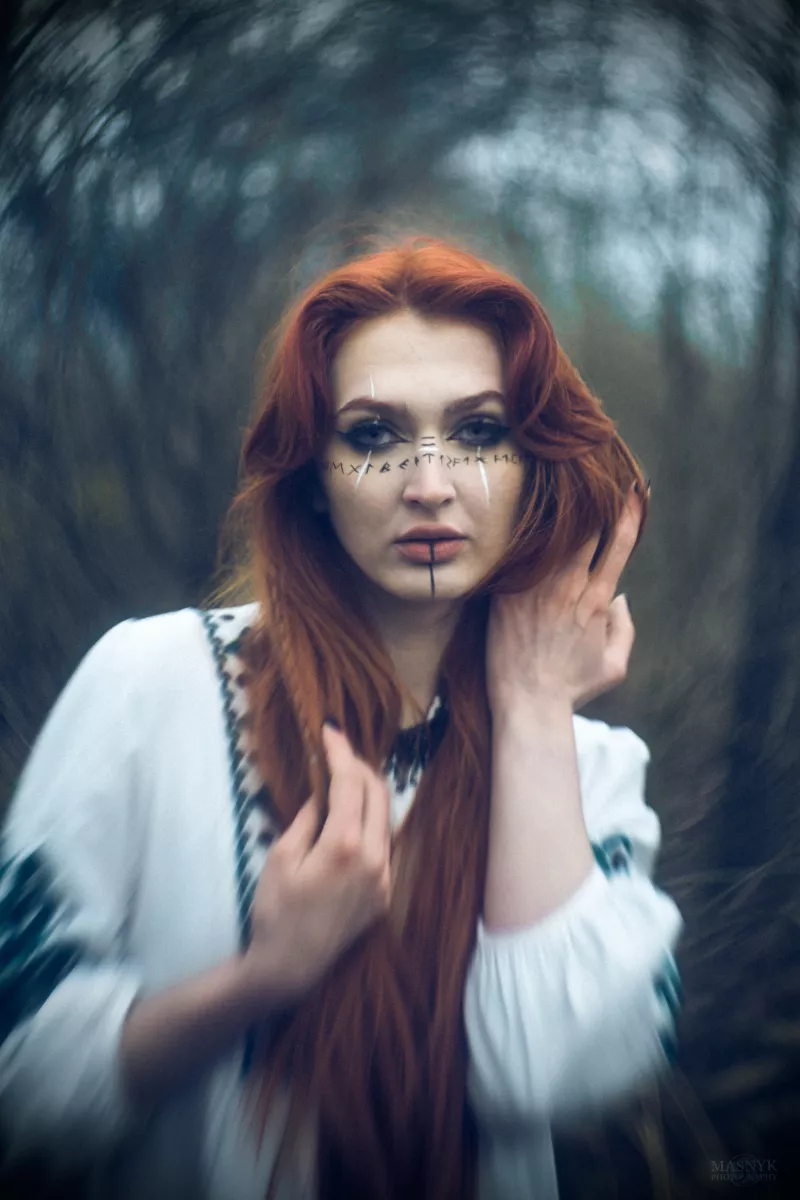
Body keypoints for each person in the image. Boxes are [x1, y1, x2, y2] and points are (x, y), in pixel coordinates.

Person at [0, 238, 683, 1200]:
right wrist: (259, 981)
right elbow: (19, 1078)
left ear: (535, 470)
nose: (431, 483)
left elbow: (550, 1072)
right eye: (373, 436)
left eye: (480, 432)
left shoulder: (584, 764)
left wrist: (530, 705)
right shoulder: (152, 686)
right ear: (312, 479)